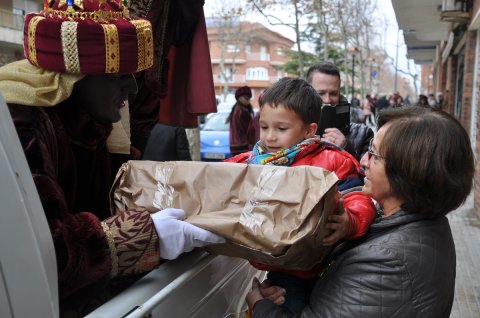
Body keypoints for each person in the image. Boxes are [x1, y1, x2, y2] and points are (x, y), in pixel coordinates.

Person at [0, 1, 222, 315]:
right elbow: (35, 255)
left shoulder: (93, 123)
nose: (131, 89)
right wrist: (145, 235)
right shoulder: (23, 126)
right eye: (118, 75)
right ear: (73, 77)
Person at [246, 106, 474, 317]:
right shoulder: (413, 222)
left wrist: (260, 305)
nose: (363, 160)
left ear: (409, 172)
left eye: (374, 154)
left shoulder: (388, 262)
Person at [227, 77, 376, 314]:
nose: (270, 137)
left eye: (281, 129)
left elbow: (358, 197)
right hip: (283, 270)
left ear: (309, 130)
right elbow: (219, 178)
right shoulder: (252, 162)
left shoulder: (333, 160)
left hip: (327, 266)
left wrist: (352, 221)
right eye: (264, 127)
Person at [306, 62, 374, 161]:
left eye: (333, 93)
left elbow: (369, 174)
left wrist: (346, 148)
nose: (327, 100)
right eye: (321, 93)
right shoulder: (293, 130)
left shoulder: (362, 134)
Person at [227, 86, 254, 155]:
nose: (248, 100)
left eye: (249, 98)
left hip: (234, 146)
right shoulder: (242, 111)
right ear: (239, 98)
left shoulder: (235, 109)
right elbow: (249, 130)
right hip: (243, 146)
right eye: (246, 97)